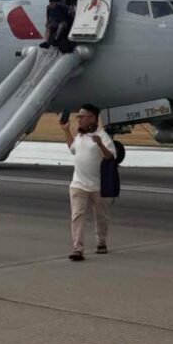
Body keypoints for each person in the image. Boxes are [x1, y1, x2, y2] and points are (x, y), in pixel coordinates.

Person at [60, 103, 116, 261]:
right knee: (77, 216)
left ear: (92, 118)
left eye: (82, 117)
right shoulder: (80, 136)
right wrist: (65, 131)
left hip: (98, 186)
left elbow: (110, 157)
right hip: (78, 184)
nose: (78, 120)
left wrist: (99, 144)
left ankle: (101, 242)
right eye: (78, 117)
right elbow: (72, 149)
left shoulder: (103, 137)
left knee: (101, 216)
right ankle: (78, 249)